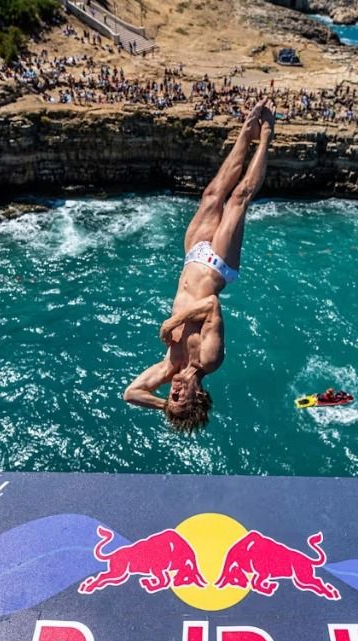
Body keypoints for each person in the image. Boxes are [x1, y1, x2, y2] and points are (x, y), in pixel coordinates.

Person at [124, 100, 276, 431]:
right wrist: (175, 321)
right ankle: (266, 135)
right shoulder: (209, 359)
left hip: (192, 255)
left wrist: (166, 407)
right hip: (218, 266)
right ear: (198, 395)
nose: (173, 391)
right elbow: (211, 305)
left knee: (211, 194)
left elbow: (131, 393)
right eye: (180, 397)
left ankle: (246, 131)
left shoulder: (169, 367)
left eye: (172, 396)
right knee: (238, 199)